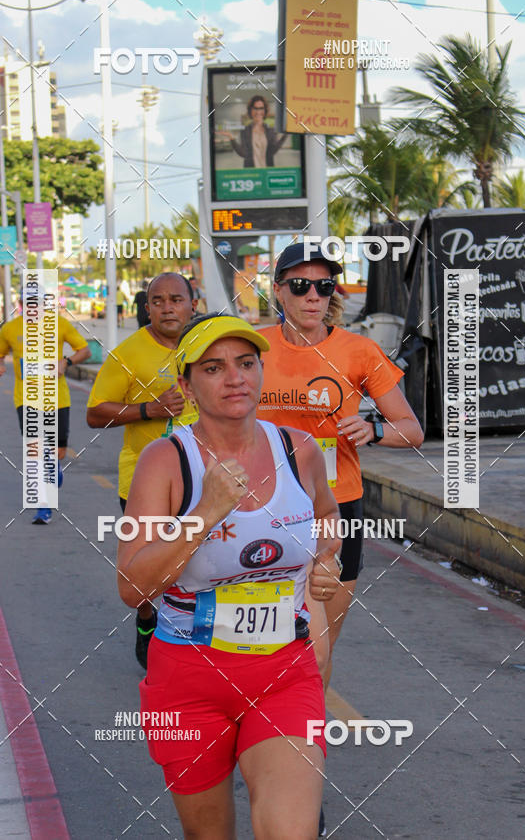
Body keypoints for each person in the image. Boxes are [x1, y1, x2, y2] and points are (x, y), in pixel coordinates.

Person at [117, 313, 341, 839]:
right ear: (185, 384)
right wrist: (205, 514)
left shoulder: (298, 449)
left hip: (285, 671)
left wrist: (325, 560)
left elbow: (329, 518)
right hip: (188, 678)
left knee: (291, 832)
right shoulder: (166, 461)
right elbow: (132, 588)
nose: (235, 378)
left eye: (245, 363)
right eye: (213, 368)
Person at [258, 242, 424, 679]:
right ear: (279, 291)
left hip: (335, 508)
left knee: (319, 645)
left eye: (324, 285)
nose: (313, 296)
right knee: (259, 638)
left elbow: (412, 429)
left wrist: (375, 431)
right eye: (300, 285)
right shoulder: (253, 348)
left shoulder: (359, 352)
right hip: (262, 505)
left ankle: (308, 735)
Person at [86, 273, 197, 668]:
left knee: (195, 566)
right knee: (149, 571)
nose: (168, 307)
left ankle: (188, 646)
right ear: (146, 307)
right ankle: (147, 614)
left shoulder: (206, 348)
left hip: (202, 483)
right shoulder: (128, 354)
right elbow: (95, 413)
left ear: (192, 304)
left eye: (176, 299)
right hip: (143, 484)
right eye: (158, 300)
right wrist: (150, 409)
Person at [0, 296, 91, 524]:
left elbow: (84, 350)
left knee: (58, 452)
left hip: (58, 399)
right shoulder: (10, 328)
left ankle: (54, 467)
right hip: (25, 399)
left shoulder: (60, 324)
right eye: (28, 302)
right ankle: (43, 507)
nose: (33, 307)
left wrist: (66, 362)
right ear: (21, 304)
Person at [217, 95, 287, 168]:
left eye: (261, 108)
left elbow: (272, 151)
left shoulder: (270, 131)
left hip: (267, 170)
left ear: (265, 110)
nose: (258, 112)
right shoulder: (245, 131)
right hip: (251, 172)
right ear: (250, 110)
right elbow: (243, 153)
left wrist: (285, 136)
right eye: (255, 108)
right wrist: (231, 137)